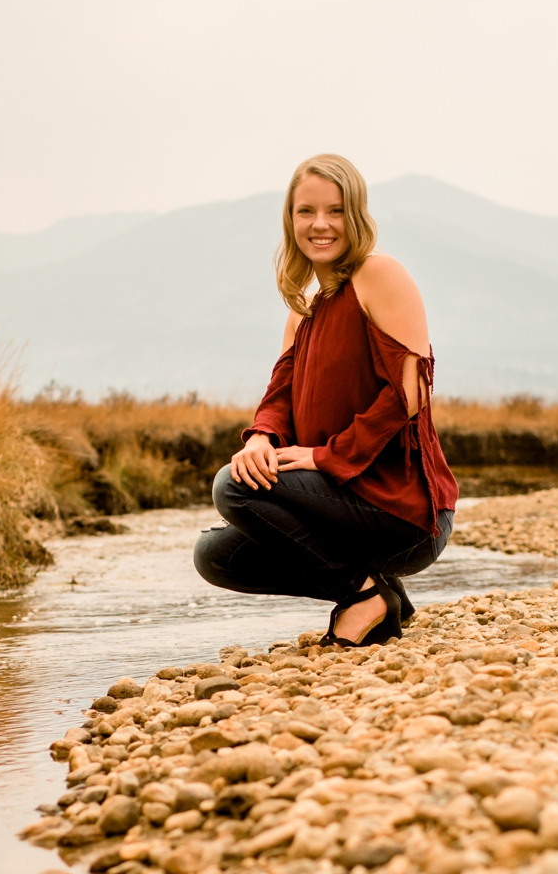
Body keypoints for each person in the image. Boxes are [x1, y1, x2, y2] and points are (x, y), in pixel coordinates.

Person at [194, 152, 458, 645]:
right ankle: (382, 595)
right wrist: (259, 440)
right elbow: (278, 398)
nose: (320, 224)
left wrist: (322, 456)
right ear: (290, 219)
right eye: (306, 211)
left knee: (231, 488)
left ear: (355, 215)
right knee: (215, 555)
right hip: (342, 504)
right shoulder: (304, 310)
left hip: (404, 512)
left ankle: (362, 599)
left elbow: (412, 393)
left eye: (335, 211)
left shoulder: (379, 275)